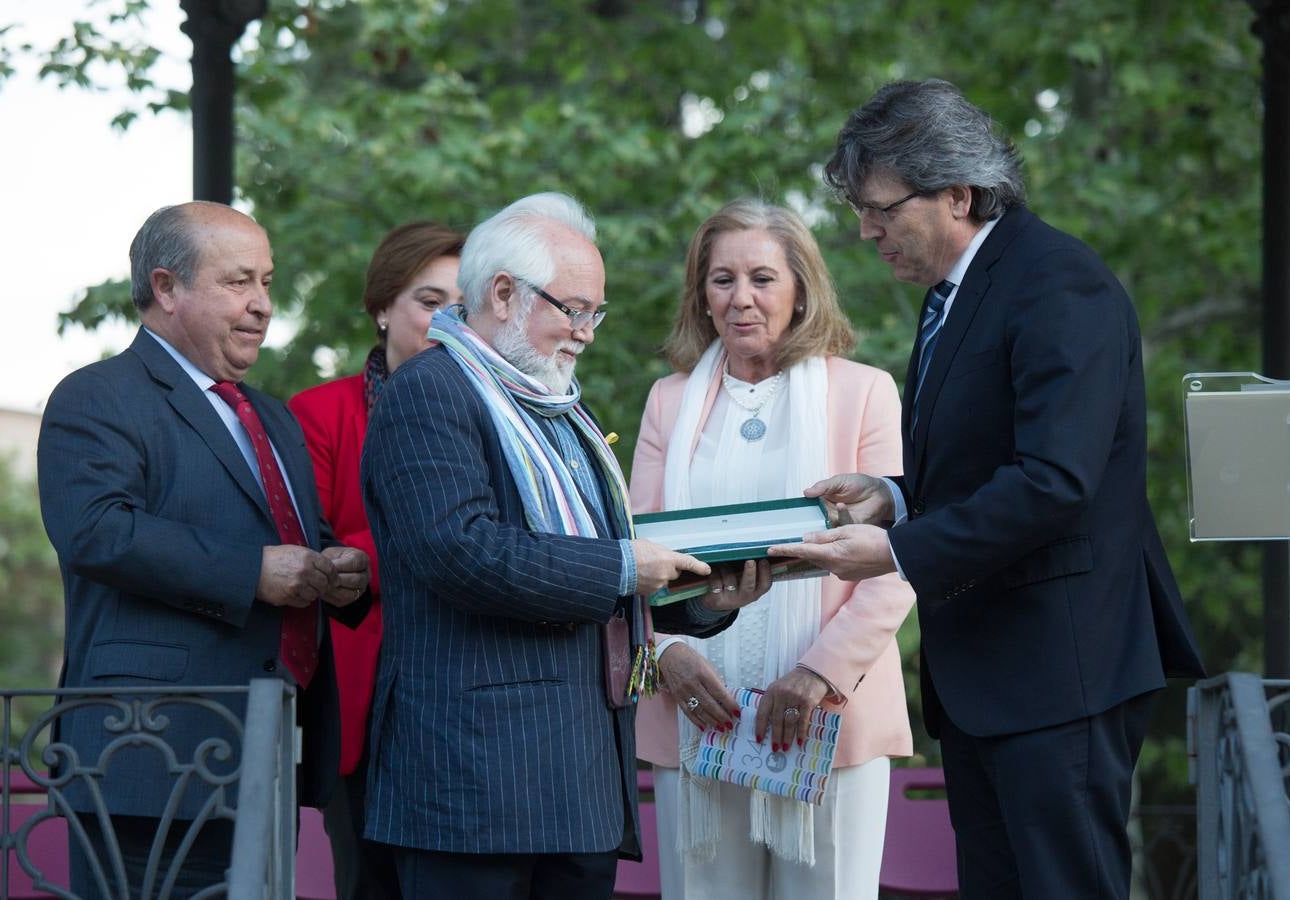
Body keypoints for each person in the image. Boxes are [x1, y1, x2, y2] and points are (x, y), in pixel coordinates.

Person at [770, 80, 1205, 899]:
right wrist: (893, 497)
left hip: (1058, 672)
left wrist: (895, 550)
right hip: (987, 680)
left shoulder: (1058, 283)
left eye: (880, 210)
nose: (865, 231)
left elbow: (1054, 481)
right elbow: (988, 462)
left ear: (958, 195)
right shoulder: (955, 293)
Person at [360, 192, 761, 899]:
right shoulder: (429, 391)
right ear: (503, 294)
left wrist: (702, 597)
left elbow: (601, 570)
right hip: (474, 782)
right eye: (573, 309)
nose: (585, 333)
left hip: (577, 776)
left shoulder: (558, 406)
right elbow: (459, 551)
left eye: (595, 314)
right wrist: (624, 567)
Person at [37, 200, 372, 896]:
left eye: (267, 282)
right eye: (238, 282)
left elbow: (293, 538)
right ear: (166, 288)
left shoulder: (271, 416)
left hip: (267, 755)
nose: (262, 305)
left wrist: (337, 567)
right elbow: (97, 531)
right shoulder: (97, 396)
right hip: (148, 759)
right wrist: (252, 573)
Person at [629, 198, 915, 900]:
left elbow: (898, 559)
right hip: (696, 713)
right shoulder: (667, 401)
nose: (741, 298)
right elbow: (634, 554)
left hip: (829, 717)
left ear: (800, 290)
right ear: (701, 294)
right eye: (721, 279)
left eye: (762, 278)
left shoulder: (866, 392)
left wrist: (817, 675)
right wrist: (668, 656)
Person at [289, 221, 466, 900]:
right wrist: (443, 540)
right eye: (429, 300)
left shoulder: (503, 415)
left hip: (471, 701)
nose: (446, 321)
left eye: (462, 305)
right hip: (366, 704)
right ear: (382, 308)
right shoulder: (317, 413)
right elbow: (315, 555)